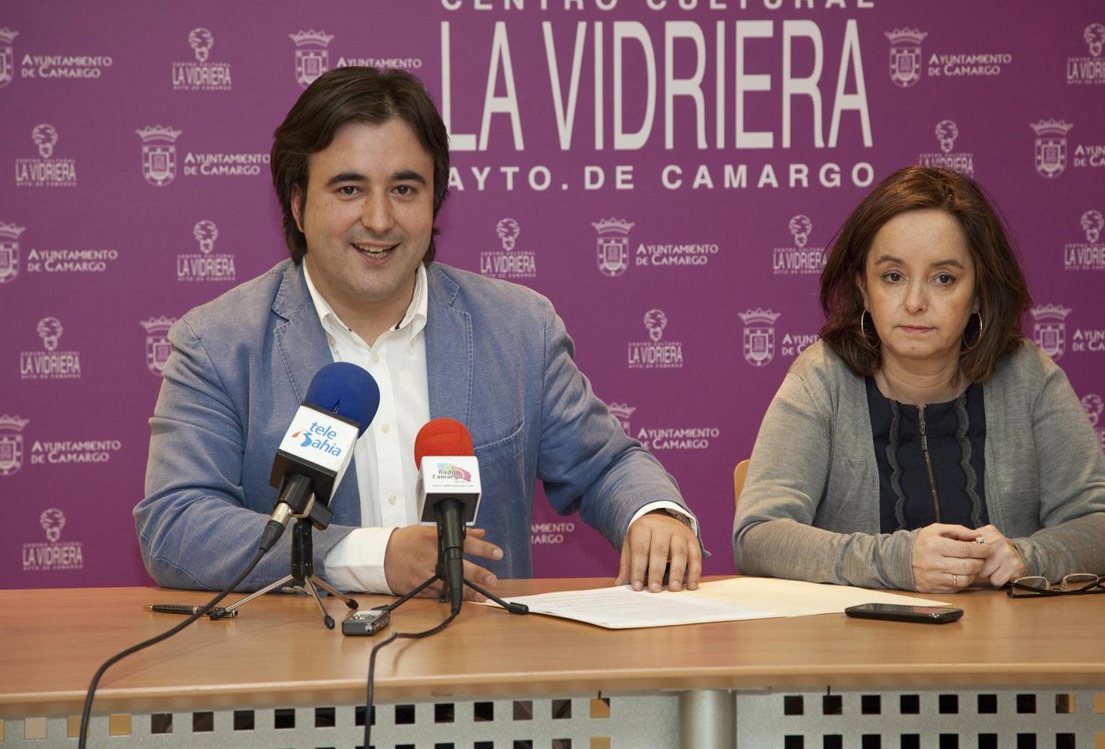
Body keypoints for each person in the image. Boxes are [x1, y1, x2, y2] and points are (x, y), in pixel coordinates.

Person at [134, 67, 702, 598]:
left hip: (482, 664)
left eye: (404, 190)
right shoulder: (218, 343)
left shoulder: (519, 329)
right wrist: (371, 558)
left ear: (436, 204)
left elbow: (607, 465)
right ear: (299, 205)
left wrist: (651, 513)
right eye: (349, 190)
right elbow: (176, 525)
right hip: (300, 667)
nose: (380, 219)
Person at [733, 166, 1105, 593]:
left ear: (979, 291)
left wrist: (1025, 555)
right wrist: (897, 561)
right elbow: (758, 536)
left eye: (944, 279)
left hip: (1006, 633)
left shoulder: (1028, 377)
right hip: (858, 633)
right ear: (864, 288)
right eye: (893, 277)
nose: (915, 302)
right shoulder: (821, 380)